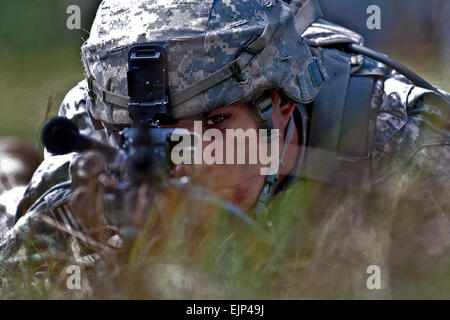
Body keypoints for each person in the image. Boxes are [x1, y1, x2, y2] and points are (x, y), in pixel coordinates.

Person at [1, 0, 449, 299]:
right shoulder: (96, 126)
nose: (190, 162)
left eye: (216, 123)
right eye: (158, 132)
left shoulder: (396, 130)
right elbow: (22, 267)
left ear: (282, 103)